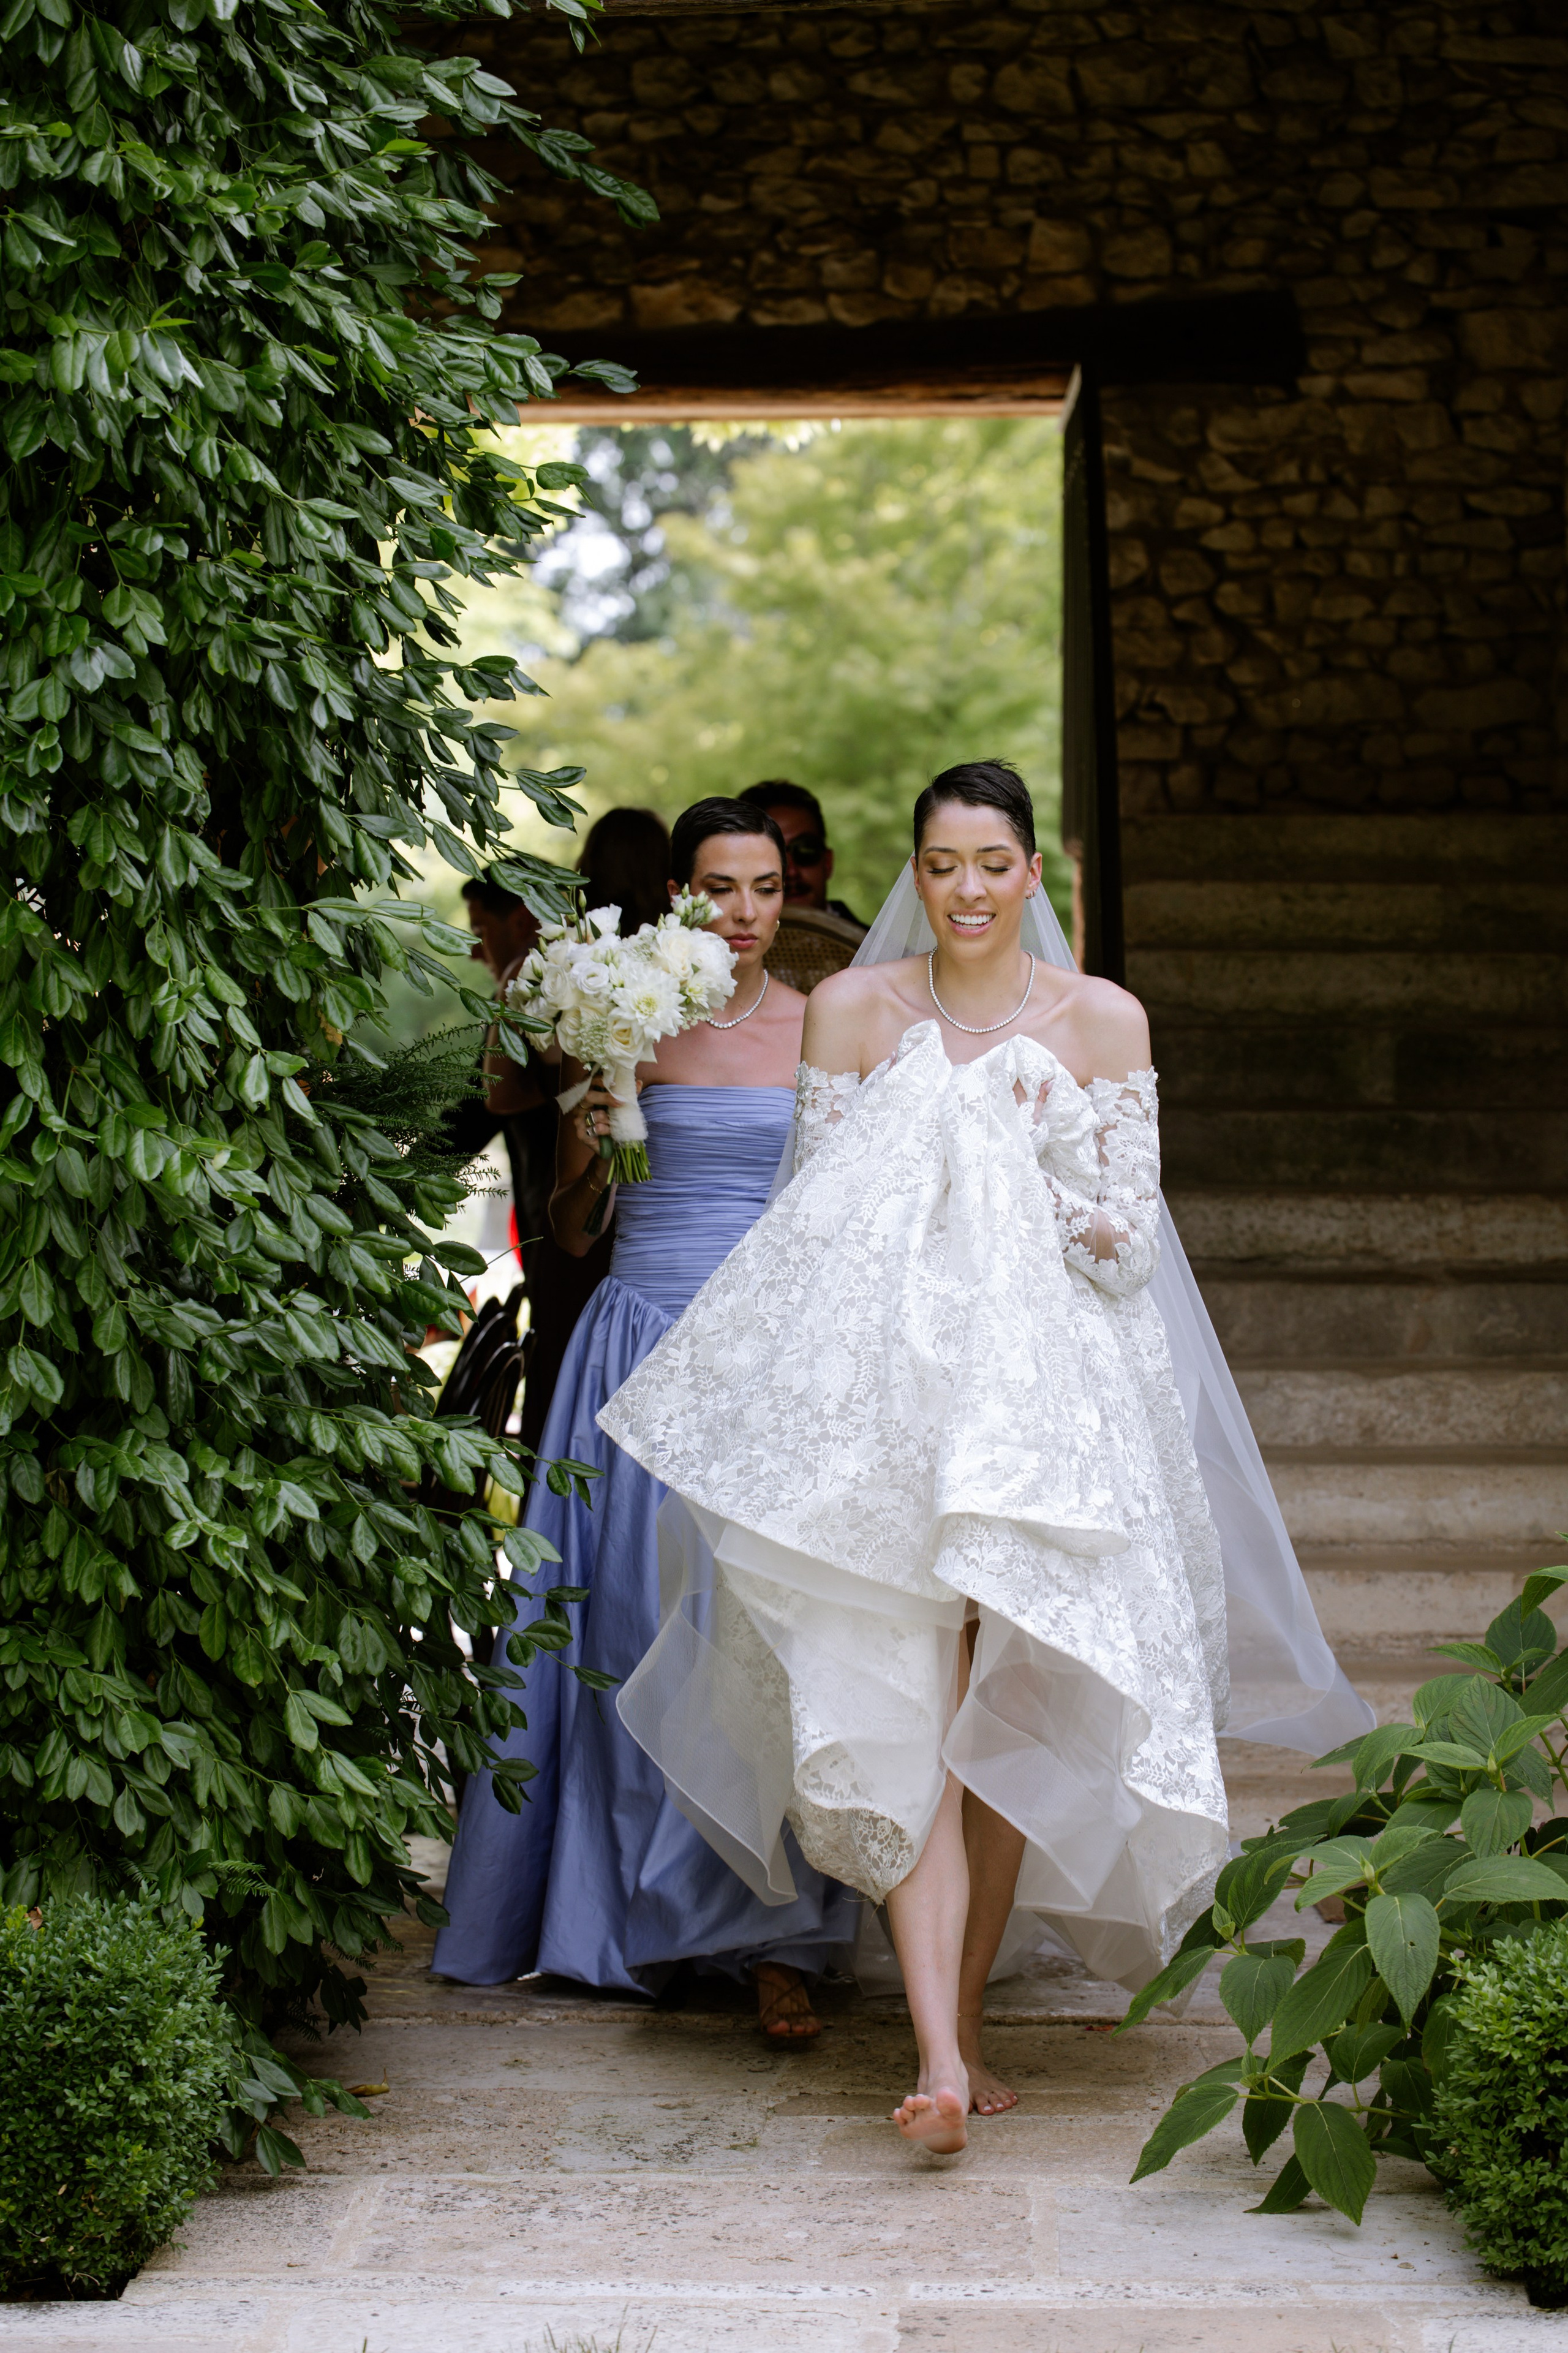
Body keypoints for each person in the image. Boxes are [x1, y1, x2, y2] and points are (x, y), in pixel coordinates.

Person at [600, 759, 1371, 2152]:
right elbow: (816, 1225)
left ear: (1030, 874)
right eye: (942, 863)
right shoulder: (850, 1010)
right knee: (907, 1701)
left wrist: (1026, 1150)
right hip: (895, 1407)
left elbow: (1125, 1246)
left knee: (1002, 1712)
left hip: (1049, 1413)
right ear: (914, 870)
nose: (965, 889)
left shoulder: (1100, 1018)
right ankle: (939, 2056)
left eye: (991, 864)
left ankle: (960, 2013)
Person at [432, 798, 859, 2037]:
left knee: (760, 1637)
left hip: (766, 1364)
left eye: (766, 889)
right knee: (626, 1628)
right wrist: (590, 1123)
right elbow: (572, 1234)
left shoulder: (821, 1028)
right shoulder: (628, 1018)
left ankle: (772, 1939)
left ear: (790, 896)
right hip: (635, 1347)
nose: (744, 915)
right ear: (679, 896)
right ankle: (622, 1919)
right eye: (720, 890)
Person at [516, 806, 672, 1458]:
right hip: (612, 1185)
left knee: (570, 1403)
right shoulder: (670, 971)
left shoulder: (568, 957)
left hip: (592, 1178)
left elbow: (505, 1084)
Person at [739, 780, 864, 932]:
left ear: (828, 862)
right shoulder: (715, 950)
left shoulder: (885, 950)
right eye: (771, 857)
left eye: (805, 850)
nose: (791, 872)